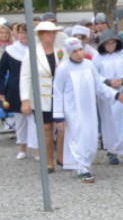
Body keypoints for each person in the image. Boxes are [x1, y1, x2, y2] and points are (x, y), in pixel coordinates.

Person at [52, 38, 116, 183]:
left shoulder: (89, 65)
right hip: (72, 111)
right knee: (77, 138)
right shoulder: (63, 69)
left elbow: (99, 86)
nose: (79, 54)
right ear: (69, 53)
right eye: (74, 51)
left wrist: (115, 95)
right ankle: (82, 168)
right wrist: (59, 116)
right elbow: (58, 93)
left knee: (91, 138)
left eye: (80, 50)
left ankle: (86, 163)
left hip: (89, 110)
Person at [19, 19, 61, 171]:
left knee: (63, 127)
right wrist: (25, 100)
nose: (51, 36)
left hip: (60, 95)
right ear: (41, 35)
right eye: (48, 33)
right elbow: (25, 77)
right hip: (41, 96)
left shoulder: (61, 50)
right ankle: (48, 161)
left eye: (53, 33)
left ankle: (62, 157)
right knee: (46, 128)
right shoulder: (31, 53)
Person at [93, 29, 123, 166]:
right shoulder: (97, 58)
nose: (110, 46)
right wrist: (108, 81)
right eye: (107, 43)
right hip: (107, 95)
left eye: (113, 43)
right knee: (110, 123)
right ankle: (112, 151)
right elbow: (95, 76)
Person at [0, 23, 30, 158]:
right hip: (16, 90)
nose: (24, 35)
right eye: (22, 32)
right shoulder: (10, 51)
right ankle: (22, 148)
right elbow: (1, 73)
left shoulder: (38, 49)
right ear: (16, 34)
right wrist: (1, 93)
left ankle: (37, 149)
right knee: (21, 121)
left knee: (36, 121)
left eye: (27, 32)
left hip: (35, 90)